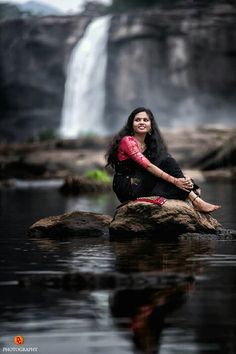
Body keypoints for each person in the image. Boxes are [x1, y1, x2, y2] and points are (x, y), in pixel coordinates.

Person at [106, 107, 220, 213]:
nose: (141, 122)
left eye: (145, 120)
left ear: (151, 125)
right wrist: (176, 181)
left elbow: (163, 167)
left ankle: (191, 193)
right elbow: (148, 166)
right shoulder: (128, 141)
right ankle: (196, 199)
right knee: (167, 163)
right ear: (131, 124)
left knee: (167, 161)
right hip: (128, 186)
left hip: (142, 184)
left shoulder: (149, 145)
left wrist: (182, 180)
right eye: (137, 120)